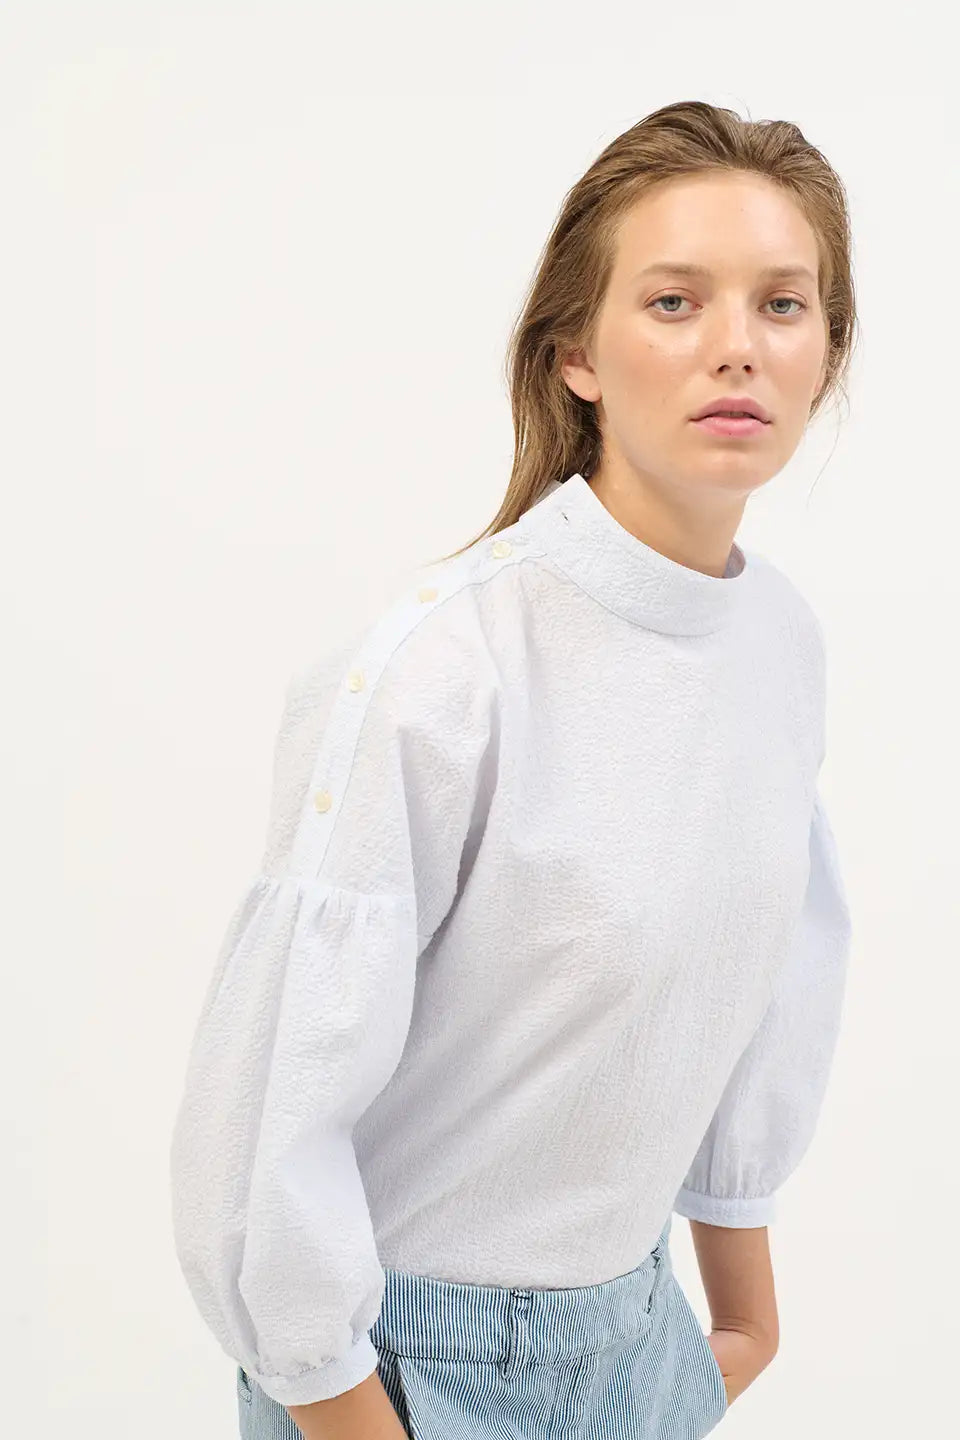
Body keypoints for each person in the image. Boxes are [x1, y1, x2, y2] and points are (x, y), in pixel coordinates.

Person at [169, 98, 858, 1440]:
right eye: (674, 301)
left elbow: (766, 974)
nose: (737, 345)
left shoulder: (778, 644)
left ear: (828, 352)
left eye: (784, 304)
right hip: (403, 1377)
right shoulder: (443, 671)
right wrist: (347, 1398)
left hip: (639, 1340)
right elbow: (265, 1123)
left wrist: (742, 1319)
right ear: (574, 355)